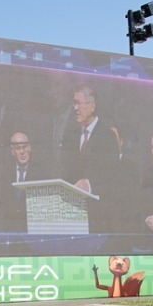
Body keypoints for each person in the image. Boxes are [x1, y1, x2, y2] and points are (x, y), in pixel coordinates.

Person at [58, 84, 120, 216]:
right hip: (73, 210)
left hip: (99, 212)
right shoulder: (70, 136)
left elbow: (113, 176)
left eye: (78, 103)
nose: (75, 108)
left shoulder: (107, 136)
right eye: (74, 103)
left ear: (92, 106)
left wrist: (89, 185)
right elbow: (63, 170)